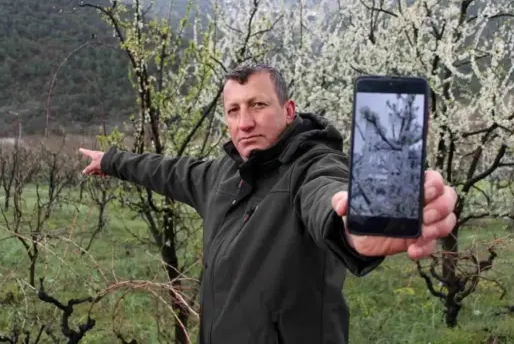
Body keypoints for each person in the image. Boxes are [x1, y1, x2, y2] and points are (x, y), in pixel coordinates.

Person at [79, 63, 457, 344]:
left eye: (258, 105)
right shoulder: (220, 176)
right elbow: (166, 170)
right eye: (234, 110)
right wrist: (110, 161)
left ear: (288, 111)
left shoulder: (312, 165)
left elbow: (325, 194)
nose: (245, 123)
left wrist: (353, 227)